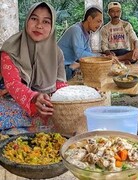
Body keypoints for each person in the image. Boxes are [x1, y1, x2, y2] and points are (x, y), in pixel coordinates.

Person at [0, 2, 68, 134]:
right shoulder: (11, 49)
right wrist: (35, 97)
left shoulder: (57, 53)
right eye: (34, 19)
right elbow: (13, 84)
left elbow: (59, 85)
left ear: (52, 26)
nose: (39, 26)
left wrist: (82, 93)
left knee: (64, 119)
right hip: (12, 100)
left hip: (43, 103)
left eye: (46, 22)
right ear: (27, 20)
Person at [58, 6, 103, 80]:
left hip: (69, 65)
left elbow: (88, 53)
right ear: (89, 19)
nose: (99, 26)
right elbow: (80, 54)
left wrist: (101, 57)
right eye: (98, 21)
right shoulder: (76, 30)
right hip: (61, 68)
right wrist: (100, 57)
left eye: (101, 23)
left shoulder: (86, 33)